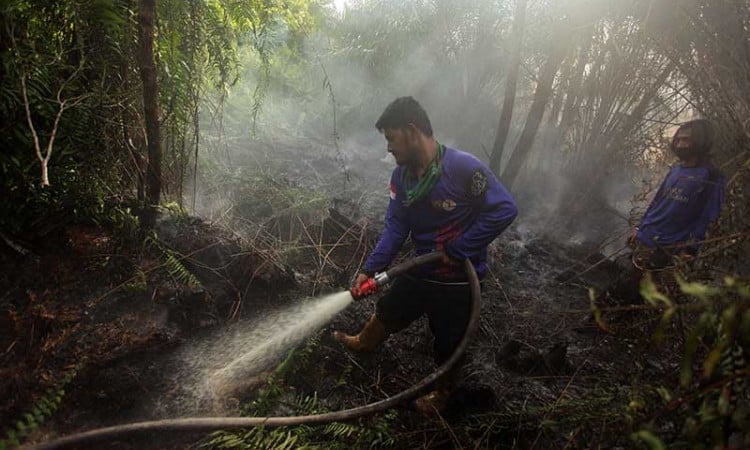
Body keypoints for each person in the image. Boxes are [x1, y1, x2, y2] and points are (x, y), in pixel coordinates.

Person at [332, 96, 518, 415]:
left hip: (459, 280)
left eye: (391, 139)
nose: (388, 148)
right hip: (421, 269)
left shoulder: (462, 168)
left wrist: (461, 248)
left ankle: (443, 394)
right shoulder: (401, 179)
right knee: (389, 308)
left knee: (449, 342)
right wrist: (371, 268)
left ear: (412, 131)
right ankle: (364, 341)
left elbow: (504, 209)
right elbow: (395, 228)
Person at [597, 118, 725, 309]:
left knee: (638, 290)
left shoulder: (712, 177)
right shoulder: (675, 170)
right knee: (630, 285)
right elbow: (657, 203)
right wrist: (639, 228)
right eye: (678, 140)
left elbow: (708, 217)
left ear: (701, 142)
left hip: (669, 246)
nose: (681, 145)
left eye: (687, 140)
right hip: (645, 238)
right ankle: (606, 320)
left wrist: (690, 250)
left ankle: (599, 318)